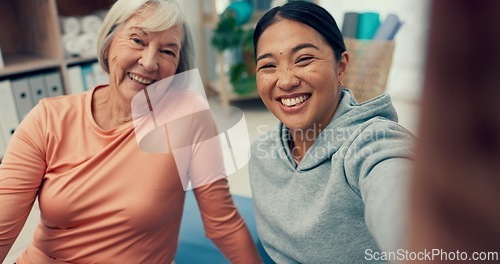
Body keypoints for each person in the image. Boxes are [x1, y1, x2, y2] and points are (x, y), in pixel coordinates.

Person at [0, 0, 261, 263]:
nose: (149, 62)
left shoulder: (188, 116)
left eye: (168, 52)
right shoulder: (47, 119)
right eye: (137, 40)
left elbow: (223, 224)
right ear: (108, 42)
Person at [249, 1, 414, 263]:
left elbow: (398, 191)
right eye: (268, 66)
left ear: (341, 66)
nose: (287, 80)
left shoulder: (372, 142)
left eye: (304, 59)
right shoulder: (263, 153)